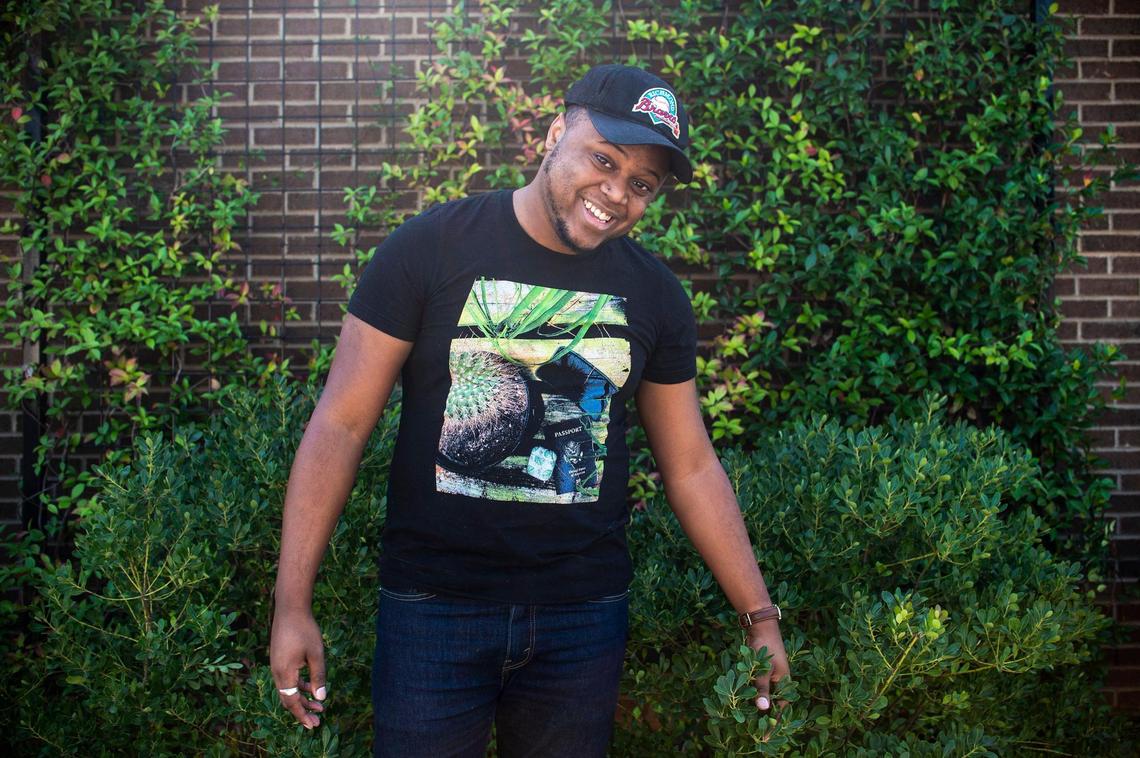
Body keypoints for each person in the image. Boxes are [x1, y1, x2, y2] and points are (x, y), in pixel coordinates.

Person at [269, 63, 790, 757]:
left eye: (642, 184)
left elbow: (691, 465)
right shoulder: (430, 248)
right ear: (554, 134)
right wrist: (291, 604)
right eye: (603, 160)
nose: (617, 193)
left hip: (582, 620)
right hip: (433, 610)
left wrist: (759, 616)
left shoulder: (656, 295)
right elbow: (340, 424)